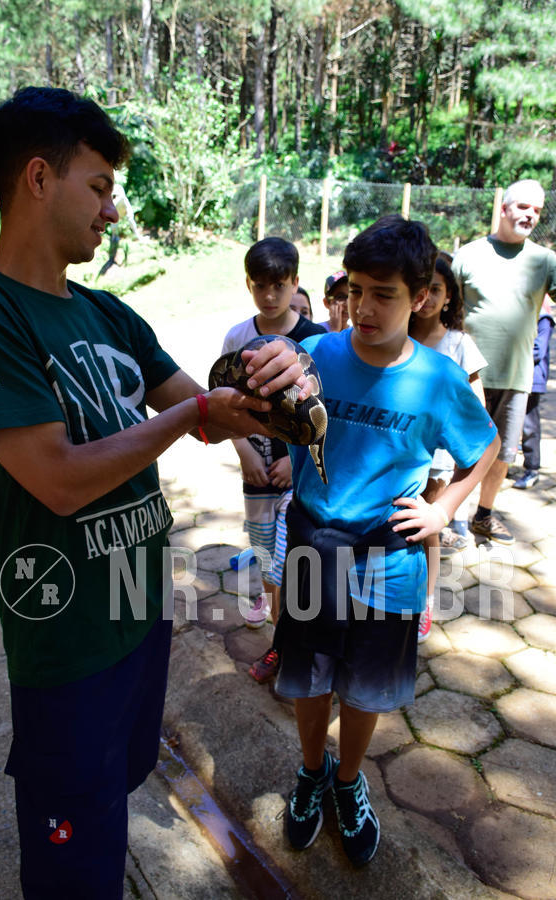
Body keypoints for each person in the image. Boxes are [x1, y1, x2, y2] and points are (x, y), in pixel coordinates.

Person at [0, 87, 312, 900]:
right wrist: (193, 416)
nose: (112, 211)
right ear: (38, 179)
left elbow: (216, 409)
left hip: (140, 613)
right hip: (67, 640)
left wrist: (286, 379)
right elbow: (58, 479)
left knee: (109, 803)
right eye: (99, 187)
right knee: (70, 862)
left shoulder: (108, 314)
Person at [273, 216, 499, 867]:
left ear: (421, 297)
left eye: (384, 294)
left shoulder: (438, 379)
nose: (365, 308)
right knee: (309, 678)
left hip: (389, 560)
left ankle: (348, 781)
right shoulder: (316, 355)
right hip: (315, 545)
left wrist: (444, 510)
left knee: (365, 686)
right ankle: (312, 771)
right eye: (356, 290)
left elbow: (484, 446)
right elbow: (280, 419)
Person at [220, 237, 326, 684]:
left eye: (278, 285)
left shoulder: (318, 340)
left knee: (295, 562)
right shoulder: (237, 337)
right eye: (260, 285)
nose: (268, 295)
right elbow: (223, 403)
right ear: (248, 284)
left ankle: (289, 644)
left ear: (295, 283)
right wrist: (243, 449)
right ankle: (277, 625)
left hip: (301, 479)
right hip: (257, 468)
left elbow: (325, 416)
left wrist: (295, 462)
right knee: (265, 552)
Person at [452, 179, 556, 544]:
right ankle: (449, 517)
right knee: (457, 449)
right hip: (466, 376)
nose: (530, 215)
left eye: (537, 210)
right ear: (504, 208)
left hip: (516, 375)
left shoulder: (545, 261)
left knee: (502, 453)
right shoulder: (469, 255)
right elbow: (444, 308)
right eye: (523, 206)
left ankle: (483, 515)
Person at [409, 252, 488, 640]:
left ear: (449, 296)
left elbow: (477, 407)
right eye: (422, 289)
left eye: (437, 290)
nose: (427, 299)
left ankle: (425, 599)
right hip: (400, 450)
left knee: (428, 528)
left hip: (438, 458)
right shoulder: (398, 336)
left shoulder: (459, 343)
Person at [513, 295, 555, 489]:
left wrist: (511, 355)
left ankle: (532, 469)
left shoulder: (543, 318)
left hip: (532, 378)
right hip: (515, 376)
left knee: (529, 425)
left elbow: (538, 350)